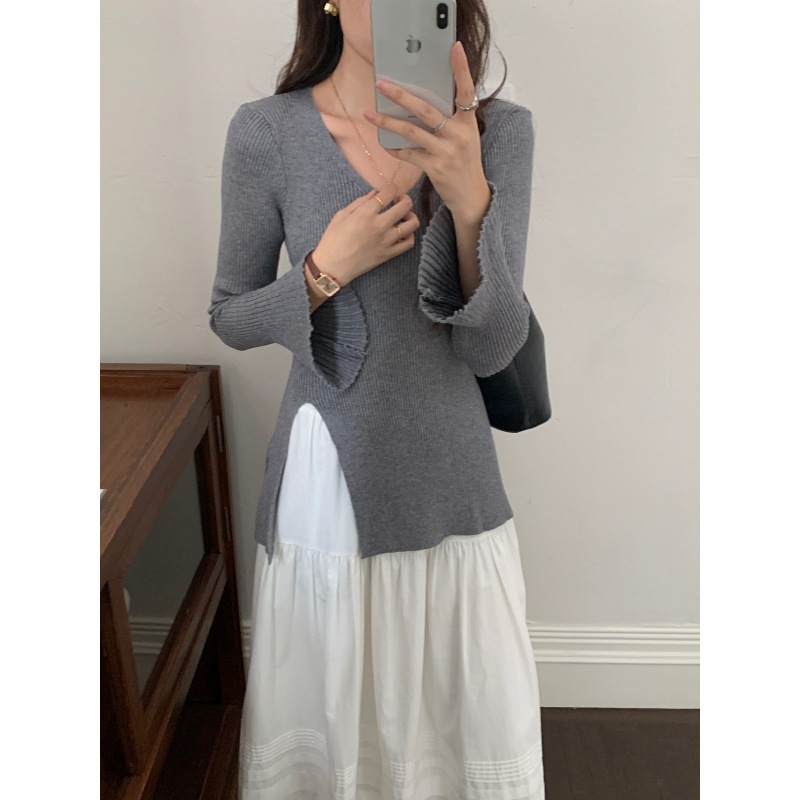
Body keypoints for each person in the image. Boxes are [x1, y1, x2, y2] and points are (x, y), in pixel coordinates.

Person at [207, 2, 547, 798]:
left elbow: (494, 346)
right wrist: (323, 269)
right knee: (334, 735)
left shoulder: (500, 132)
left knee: (455, 730)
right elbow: (229, 314)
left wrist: (470, 201)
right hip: (328, 477)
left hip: (452, 475)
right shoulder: (265, 132)